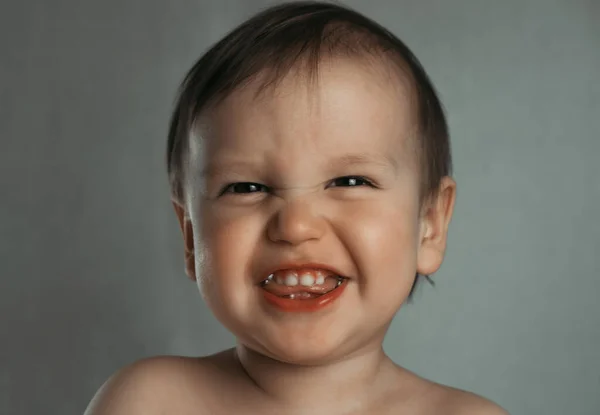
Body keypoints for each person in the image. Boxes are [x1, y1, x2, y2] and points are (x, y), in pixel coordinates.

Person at [85, 1, 508, 413]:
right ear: (192, 236)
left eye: (349, 181)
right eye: (247, 187)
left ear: (429, 226)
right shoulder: (150, 403)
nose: (296, 224)